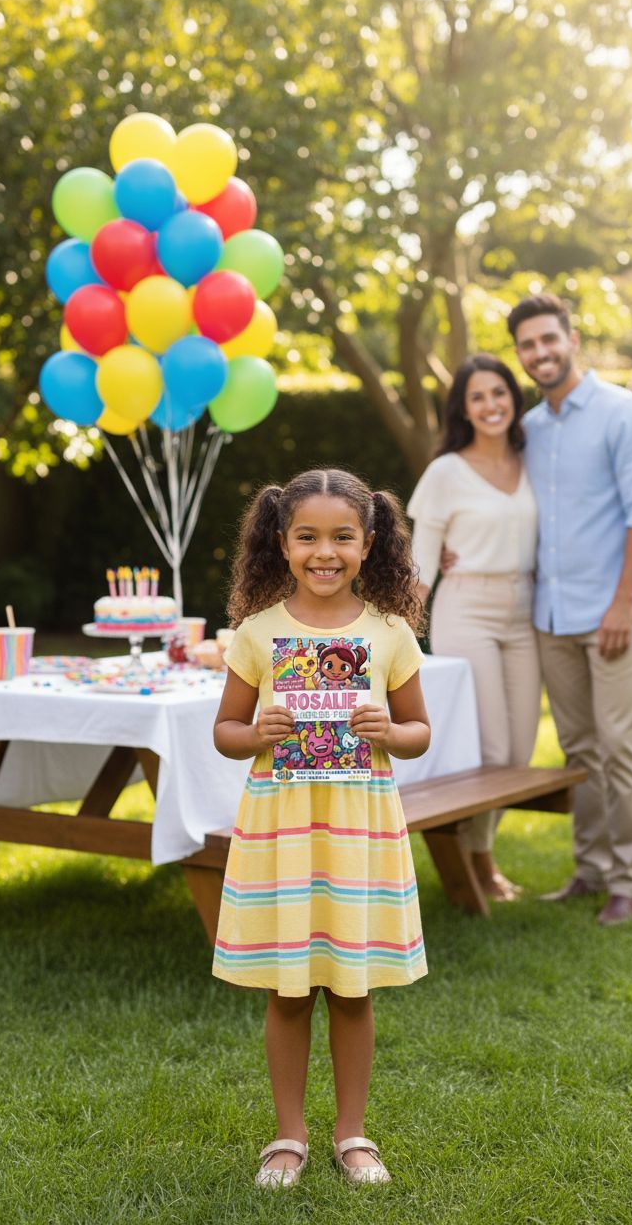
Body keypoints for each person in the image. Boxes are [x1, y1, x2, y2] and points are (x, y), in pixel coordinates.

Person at [212, 468, 431, 1189]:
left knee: (353, 987)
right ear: (282, 542)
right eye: (307, 536)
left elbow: (421, 732)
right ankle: (288, 1136)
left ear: (370, 545)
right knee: (288, 988)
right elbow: (225, 732)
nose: (324, 552)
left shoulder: (391, 632)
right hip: (283, 828)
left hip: (357, 829)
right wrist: (257, 731)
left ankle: (353, 1133)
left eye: (343, 537)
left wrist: (390, 728)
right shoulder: (257, 633)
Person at [507, 292, 632, 926]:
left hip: (614, 612)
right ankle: (591, 869)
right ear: (519, 354)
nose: (540, 352)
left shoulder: (625, 415)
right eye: (527, 344)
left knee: (620, 743)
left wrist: (623, 603)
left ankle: (628, 881)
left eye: (549, 339)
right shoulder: (528, 429)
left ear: (572, 340)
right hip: (551, 614)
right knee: (579, 749)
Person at [407, 354, 541, 901]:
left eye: (499, 393)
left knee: (520, 751)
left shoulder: (536, 460)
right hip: (467, 608)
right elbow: (421, 561)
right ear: (463, 410)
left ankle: (476, 850)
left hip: (528, 607)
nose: (491, 405)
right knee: (490, 744)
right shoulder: (446, 471)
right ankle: (479, 864)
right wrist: (396, 630)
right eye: (477, 397)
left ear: (513, 397)